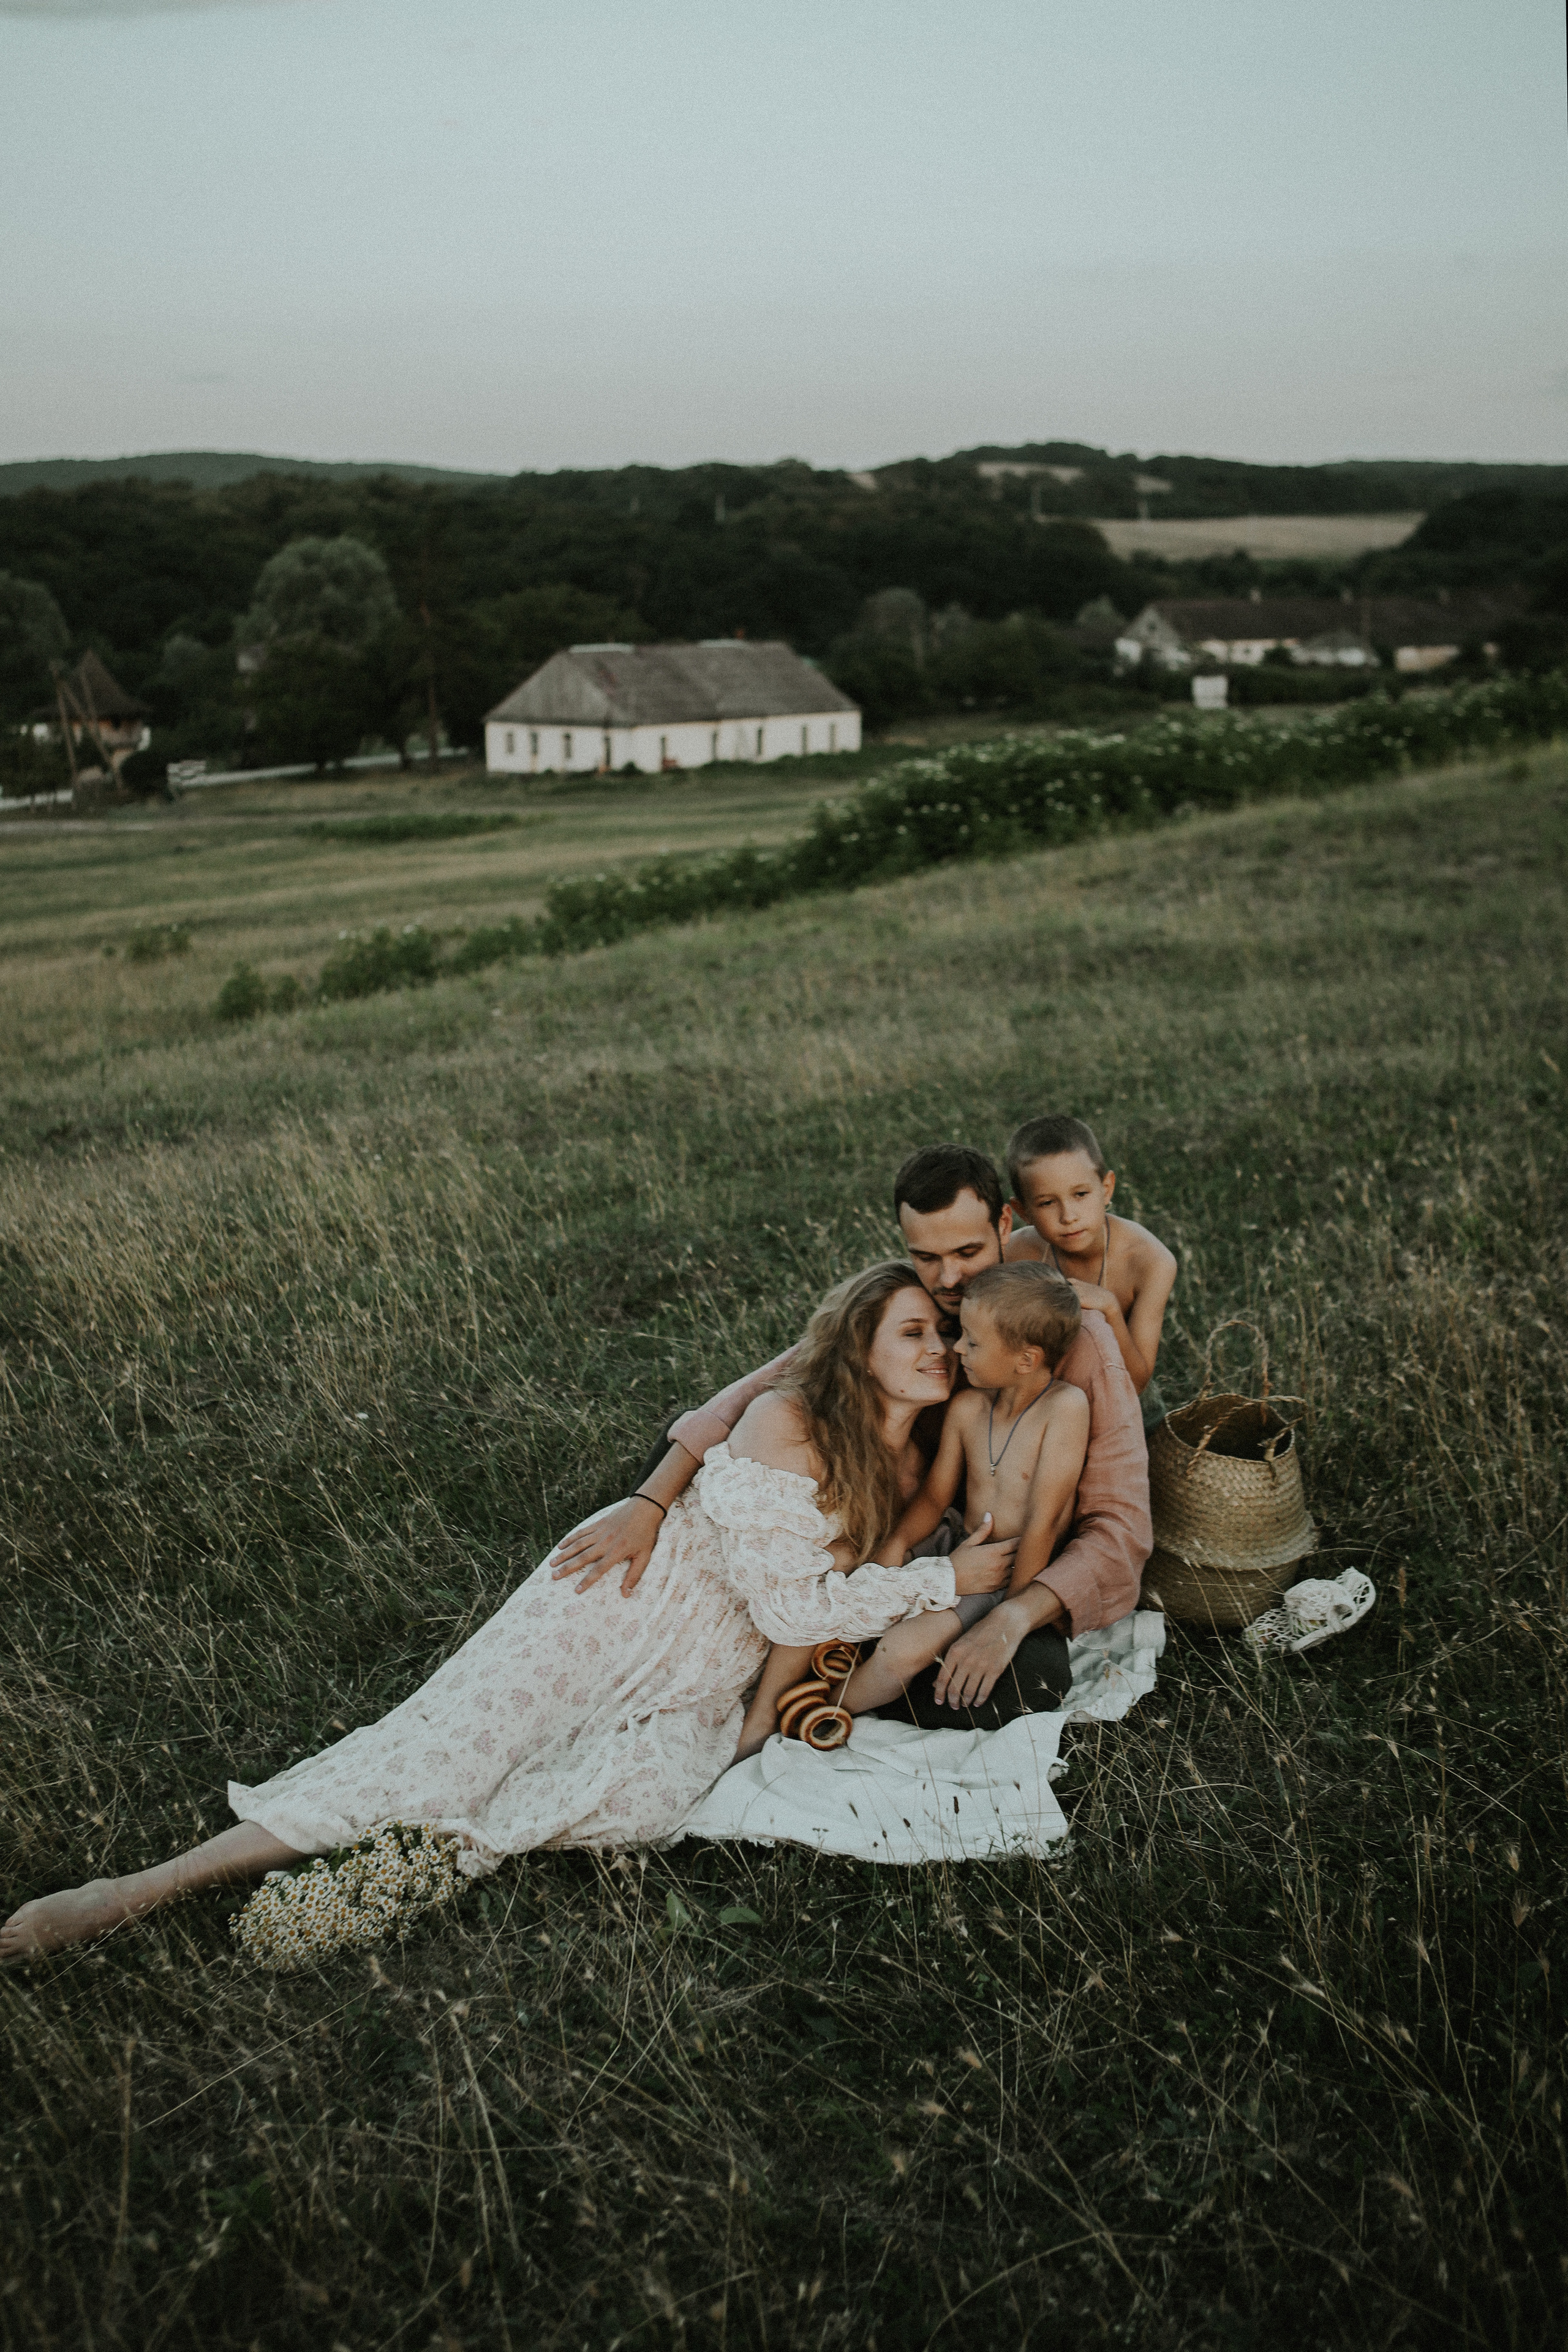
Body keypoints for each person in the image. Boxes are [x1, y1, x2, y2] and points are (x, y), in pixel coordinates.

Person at [0, 1262, 1015, 1961]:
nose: (936, 1349)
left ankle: (436, 1856)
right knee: (434, 1752)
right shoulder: (785, 1416)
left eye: (942, 1335)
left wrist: (769, 1706)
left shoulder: (907, 1462)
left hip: (707, 1660)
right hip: (626, 1600)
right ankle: (136, 1893)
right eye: (912, 1333)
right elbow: (796, 1603)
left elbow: (813, 1614)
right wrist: (943, 1581)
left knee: (654, 1794)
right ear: (859, 1346)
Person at [551, 1144, 1152, 1722]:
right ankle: (746, 1645)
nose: (947, 1278)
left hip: (999, 1572)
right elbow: (744, 1399)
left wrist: (1015, 1616)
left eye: (966, 1252)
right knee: (695, 1448)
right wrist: (646, 1503)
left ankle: (831, 1679)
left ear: (1003, 1222)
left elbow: (1119, 1531)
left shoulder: (1075, 1340)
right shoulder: (919, 1304)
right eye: (925, 1256)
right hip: (880, 1538)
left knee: (1028, 1682)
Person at [837, 1262, 1090, 1720]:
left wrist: (1005, 1618)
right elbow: (935, 1499)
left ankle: (820, 1713)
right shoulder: (969, 1407)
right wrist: (894, 1548)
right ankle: (818, 1663)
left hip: (1005, 1570)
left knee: (901, 1648)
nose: (957, 1349)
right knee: (855, 1577)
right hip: (953, 1544)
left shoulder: (1064, 1409)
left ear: (1026, 1360)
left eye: (972, 1341)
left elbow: (1046, 1522)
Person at [1003, 1114, 1177, 1429]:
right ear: (1023, 1211)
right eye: (1046, 1203)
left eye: (1081, 1195)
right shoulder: (1015, 1253)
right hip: (1045, 1396)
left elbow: (1137, 1382)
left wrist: (1110, 1307)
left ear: (1106, 1189)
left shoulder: (1150, 1261)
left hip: (1127, 1402)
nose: (1068, 1216)